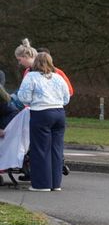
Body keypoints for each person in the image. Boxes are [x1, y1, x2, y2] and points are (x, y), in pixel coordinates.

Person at [15, 50, 70, 191]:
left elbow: (23, 97)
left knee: (40, 149)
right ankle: (55, 184)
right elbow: (66, 97)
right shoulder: (58, 77)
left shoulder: (31, 76)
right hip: (59, 113)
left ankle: (42, 184)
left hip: (41, 113)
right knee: (56, 149)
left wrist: (34, 101)